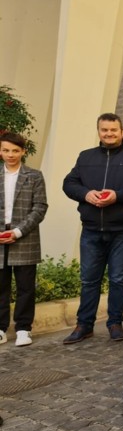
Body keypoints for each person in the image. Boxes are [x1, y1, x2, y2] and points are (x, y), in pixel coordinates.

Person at [62, 113, 123, 344]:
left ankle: (115, 323)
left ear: (122, 132)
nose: (109, 134)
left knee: (118, 278)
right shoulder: (85, 157)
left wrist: (117, 196)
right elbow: (69, 184)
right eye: (104, 130)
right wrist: (86, 194)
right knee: (89, 279)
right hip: (91, 229)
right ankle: (84, 325)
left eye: (113, 130)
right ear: (99, 132)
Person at [0, 132, 48, 347]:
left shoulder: (34, 176)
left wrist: (18, 232)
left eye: (15, 151)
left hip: (24, 237)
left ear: (23, 151)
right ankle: (0, 329)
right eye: (6, 150)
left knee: (26, 286)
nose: (10, 155)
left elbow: (40, 208)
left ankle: (23, 329)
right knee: (0, 287)